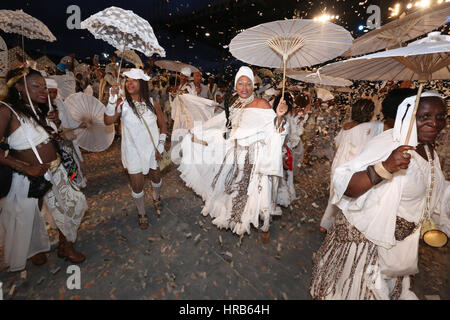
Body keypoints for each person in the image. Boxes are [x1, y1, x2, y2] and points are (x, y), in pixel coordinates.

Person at [310, 92, 448, 300]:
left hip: (399, 247)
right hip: (368, 247)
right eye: (425, 116)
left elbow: (433, 191)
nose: (434, 123)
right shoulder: (389, 144)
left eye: (440, 116)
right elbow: (345, 184)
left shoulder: (428, 151)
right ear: (409, 117)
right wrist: (384, 167)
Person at [177, 66, 288, 243]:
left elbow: (275, 131)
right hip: (233, 154)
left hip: (254, 160)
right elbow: (220, 120)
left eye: (248, 84)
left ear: (253, 85)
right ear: (235, 86)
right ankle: (233, 214)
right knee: (230, 190)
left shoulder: (262, 104)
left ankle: (265, 225)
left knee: (261, 197)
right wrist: (198, 130)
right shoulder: (234, 103)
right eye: (240, 83)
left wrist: (280, 117)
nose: (244, 87)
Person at [0, 67, 88, 271]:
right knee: (28, 215)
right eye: (36, 86)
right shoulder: (6, 110)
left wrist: (51, 128)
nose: (43, 90)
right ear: (19, 87)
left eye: (43, 85)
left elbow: (41, 139)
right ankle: (35, 250)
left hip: (55, 170)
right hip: (28, 177)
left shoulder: (34, 109)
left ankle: (66, 245)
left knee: (75, 204)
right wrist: (25, 167)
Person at [319, 89, 417, 232]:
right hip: (351, 176)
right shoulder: (363, 130)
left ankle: (330, 225)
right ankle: (330, 226)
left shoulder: (399, 138)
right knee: (341, 204)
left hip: (367, 192)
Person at [104, 68, 168, 230]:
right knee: (137, 185)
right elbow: (108, 120)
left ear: (142, 83)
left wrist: (160, 145)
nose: (129, 83)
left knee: (156, 177)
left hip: (153, 150)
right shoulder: (122, 103)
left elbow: (163, 125)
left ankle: (156, 196)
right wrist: (112, 98)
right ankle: (141, 212)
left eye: (134, 80)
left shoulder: (153, 103)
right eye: (127, 80)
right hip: (132, 151)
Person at [46, 78, 87, 189]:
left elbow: (68, 119)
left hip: (63, 140)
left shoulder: (60, 102)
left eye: (54, 91)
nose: (52, 94)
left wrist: (78, 124)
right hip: (48, 143)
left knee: (70, 163)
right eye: (49, 91)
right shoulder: (38, 106)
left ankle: (74, 183)